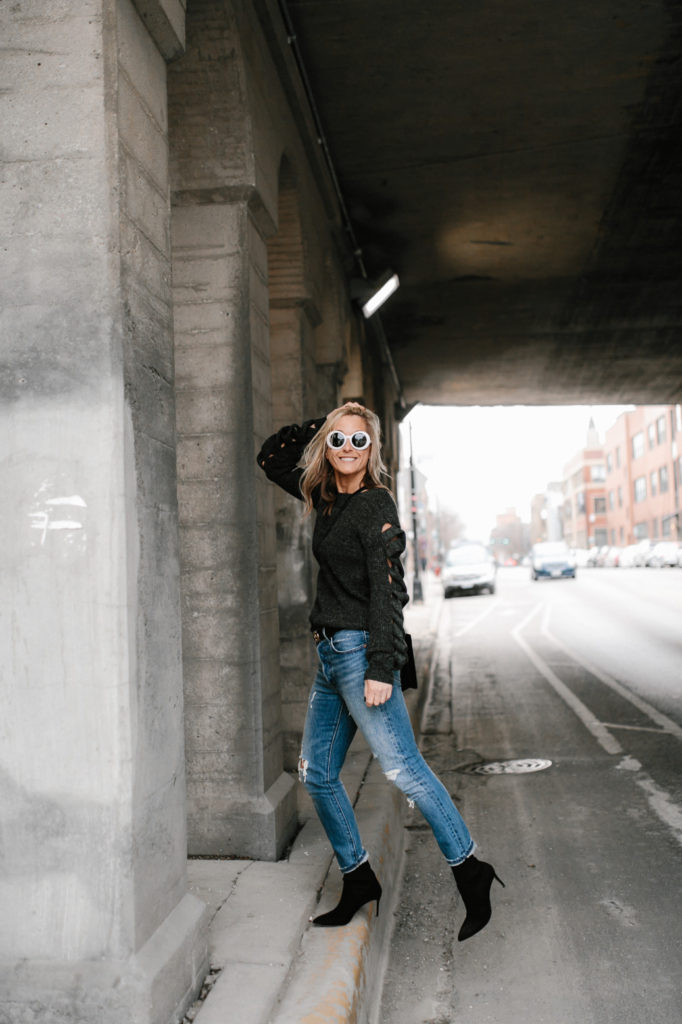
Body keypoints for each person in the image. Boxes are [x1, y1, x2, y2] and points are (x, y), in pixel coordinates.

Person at [257, 401, 503, 939]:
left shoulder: (375, 506)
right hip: (329, 655)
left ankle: (471, 870)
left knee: (404, 768)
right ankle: (358, 876)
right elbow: (271, 454)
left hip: (360, 654)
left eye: (359, 442)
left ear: (374, 452)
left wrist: (380, 668)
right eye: (338, 441)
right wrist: (328, 419)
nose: (347, 450)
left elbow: (392, 595)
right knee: (317, 775)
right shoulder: (323, 496)